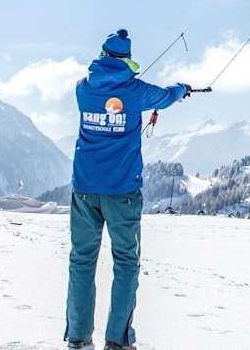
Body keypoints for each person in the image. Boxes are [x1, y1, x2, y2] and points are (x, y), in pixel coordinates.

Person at [65, 29, 191, 350]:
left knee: (82, 260)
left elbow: (114, 95)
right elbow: (167, 95)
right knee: (125, 262)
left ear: (102, 56)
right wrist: (182, 88)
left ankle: (78, 338)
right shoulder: (135, 92)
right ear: (127, 60)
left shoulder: (83, 89)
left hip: (84, 189)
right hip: (122, 192)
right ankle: (118, 340)